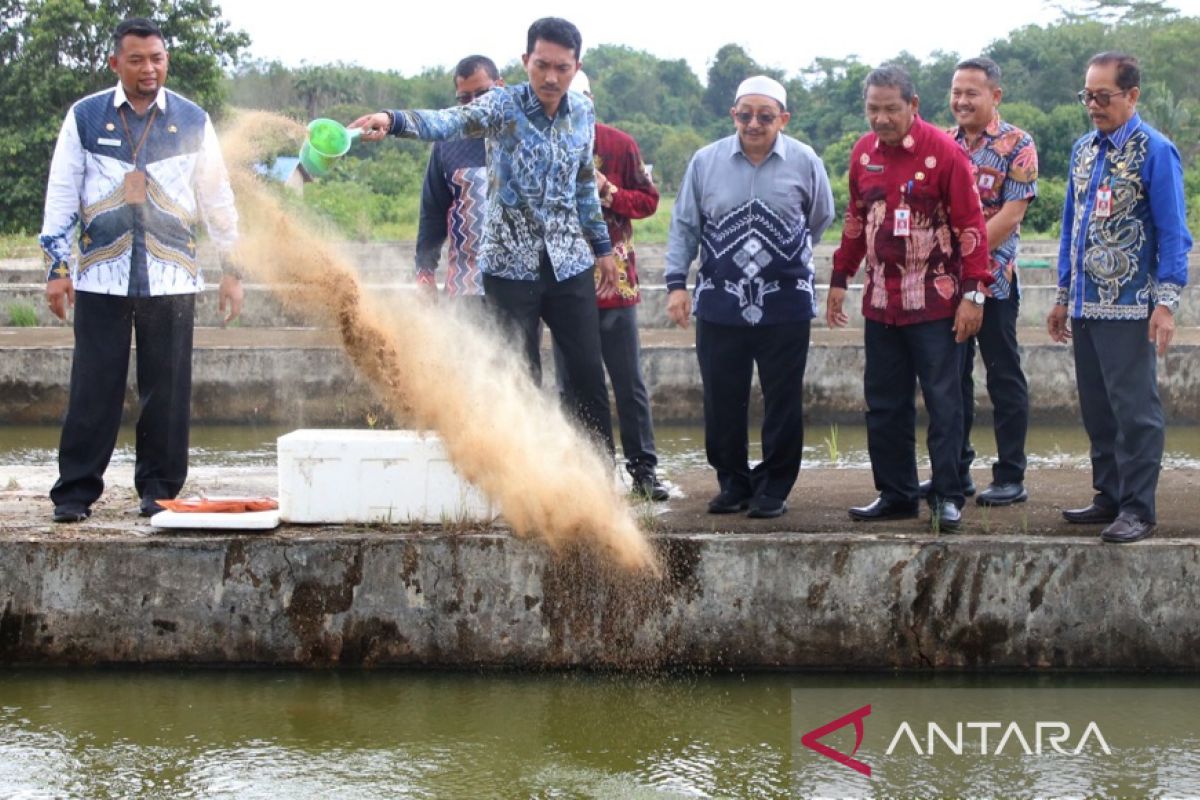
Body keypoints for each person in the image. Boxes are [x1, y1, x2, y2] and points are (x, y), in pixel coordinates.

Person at [350, 17, 617, 453]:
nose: (551, 77)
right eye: (542, 65)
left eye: (562, 68)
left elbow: (585, 183)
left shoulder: (583, 112)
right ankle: (532, 490)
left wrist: (602, 247)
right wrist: (393, 120)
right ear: (526, 60)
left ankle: (600, 482)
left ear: (577, 66)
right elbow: (448, 122)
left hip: (569, 263)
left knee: (587, 373)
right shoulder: (501, 106)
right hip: (510, 268)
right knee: (520, 378)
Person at [39, 17, 242, 523]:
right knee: (94, 385)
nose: (149, 69)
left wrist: (232, 268)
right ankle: (75, 493)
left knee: (168, 388)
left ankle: (159, 490)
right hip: (100, 276)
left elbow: (218, 199)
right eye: (136, 60)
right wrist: (56, 267)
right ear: (116, 63)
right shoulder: (85, 117)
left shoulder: (193, 120)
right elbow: (62, 194)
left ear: (166, 60)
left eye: (157, 59)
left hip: (171, 276)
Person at [827, 64, 991, 532]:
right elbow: (856, 223)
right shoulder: (863, 155)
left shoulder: (946, 154)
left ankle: (947, 495)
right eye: (873, 109)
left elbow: (971, 230)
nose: (881, 118)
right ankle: (896, 493)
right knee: (884, 403)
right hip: (881, 304)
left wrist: (974, 296)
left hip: (936, 305)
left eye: (891, 109)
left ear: (913, 106)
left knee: (944, 402)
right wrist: (841, 277)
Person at [665, 76, 835, 519]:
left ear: (784, 118)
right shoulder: (705, 162)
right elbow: (685, 225)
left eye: (765, 115)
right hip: (720, 302)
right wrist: (676, 285)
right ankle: (733, 483)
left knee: (783, 398)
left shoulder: (805, 160)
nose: (754, 124)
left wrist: (783, 261)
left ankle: (774, 487)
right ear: (733, 115)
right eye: (746, 114)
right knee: (722, 397)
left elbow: (820, 217)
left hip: (785, 305)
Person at [1048, 52, 1192, 544]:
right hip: (1086, 305)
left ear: (1132, 96)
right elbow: (1071, 224)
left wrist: (1167, 303)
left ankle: (1138, 508)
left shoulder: (1156, 151)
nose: (1093, 104)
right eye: (1087, 95)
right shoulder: (1083, 150)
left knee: (1135, 412)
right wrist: (1062, 293)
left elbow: (1175, 234)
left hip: (1131, 306)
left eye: (1102, 96)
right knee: (1097, 408)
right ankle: (1108, 494)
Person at [919, 56, 1038, 507]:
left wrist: (964, 255)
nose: (961, 101)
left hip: (995, 283)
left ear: (995, 96)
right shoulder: (940, 144)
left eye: (972, 93)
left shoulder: (1017, 144)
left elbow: (1010, 215)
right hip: (945, 286)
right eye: (956, 92)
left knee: (1003, 375)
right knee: (949, 379)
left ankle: (1010, 474)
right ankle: (955, 470)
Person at [552, 71, 668, 501]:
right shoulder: (542, 144)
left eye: (579, 104)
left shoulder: (619, 145)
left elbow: (649, 201)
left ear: (592, 102)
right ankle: (587, 475)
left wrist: (611, 192)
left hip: (615, 284)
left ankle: (644, 472)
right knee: (572, 385)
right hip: (563, 284)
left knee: (627, 381)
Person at [415, 55, 502, 303]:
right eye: (465, 99)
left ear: (500, 87)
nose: (474, 105)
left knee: (518, 344)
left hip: (518, 292)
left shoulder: (522, 136)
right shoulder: (447, 144)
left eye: (482, 94)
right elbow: (432, 213)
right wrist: (424, 271)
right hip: (465, 286)